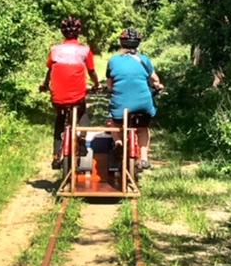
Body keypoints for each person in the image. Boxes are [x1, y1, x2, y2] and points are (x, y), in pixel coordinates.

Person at [40, 16, 100, 169]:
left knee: (60, 120)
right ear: (79, 32)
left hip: (58, 96)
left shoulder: (55, 50)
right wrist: (97, 84)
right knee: (83, 113)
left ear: (63, 33)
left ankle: (55, 155)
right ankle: (81, 140)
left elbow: (50, 70)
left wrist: (45, 85)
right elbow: (91, 71)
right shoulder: (85, 50)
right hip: (77, 96)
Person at [106, 27, 164, 170]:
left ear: (122, 43)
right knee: (143, 128)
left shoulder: (113, 61)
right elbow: (154, 80)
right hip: (143, 104)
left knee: (113, 122)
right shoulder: (144, 60)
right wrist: (158, 86)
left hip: (121, 106)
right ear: (138, 43)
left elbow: (109, 86)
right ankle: (144, 159)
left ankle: (119, 143)